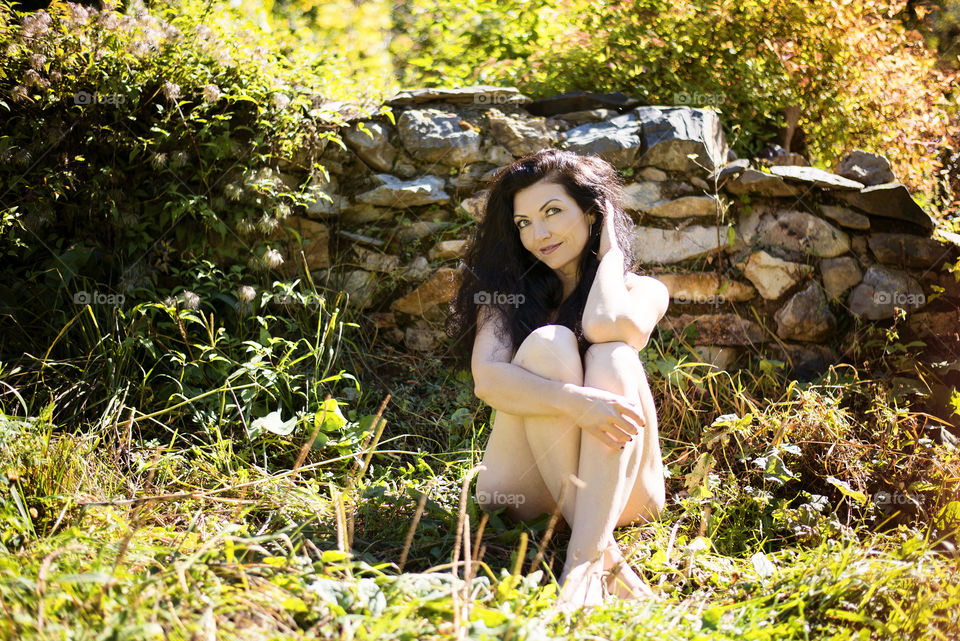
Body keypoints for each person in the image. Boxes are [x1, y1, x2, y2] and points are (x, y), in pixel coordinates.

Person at [445, 148, 670, 609]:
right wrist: (576, 402)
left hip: (625, 493)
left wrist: (610, 254)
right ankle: (594, 553)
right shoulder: (507, 296)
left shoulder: (643, 290)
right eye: (524, 222)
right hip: (526, 491)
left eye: (552, 212)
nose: (538, 234)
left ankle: (584, 557)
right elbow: (487, 381)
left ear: (593, 213)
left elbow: (611, 327)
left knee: (612, 357)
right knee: (548, 345)